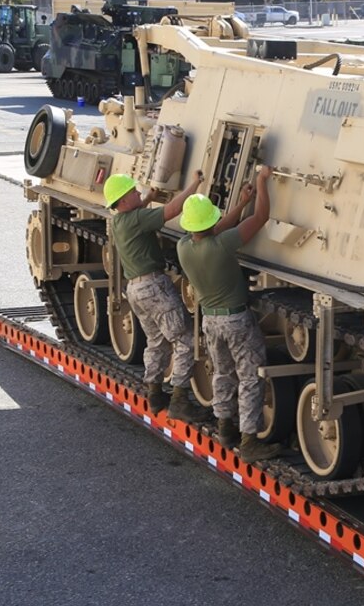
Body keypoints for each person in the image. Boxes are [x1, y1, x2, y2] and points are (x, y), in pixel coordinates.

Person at [176, 166, 280, 461]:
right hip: (237, 320)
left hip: (210, 320)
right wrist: (260, 183)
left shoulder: (184, 246)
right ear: (211, 221)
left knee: (223, 373)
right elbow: (261, 218)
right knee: (249, 377)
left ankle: (224, 426)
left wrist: (240, 203)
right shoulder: (221, 245)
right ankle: (249, 441)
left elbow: (214, 230)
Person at [103, 171, 213, 422]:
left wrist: (148, 198)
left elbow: (137, 213)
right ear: (122, 201)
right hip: (154, 288)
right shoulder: (136, 218)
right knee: (186, 339)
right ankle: (179, 399)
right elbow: (172, 210)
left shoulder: (119, 220)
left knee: (156, 339)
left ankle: (154, 393)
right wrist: (194, 185)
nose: (137, 193)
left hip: (136, 290)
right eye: (132, 192)